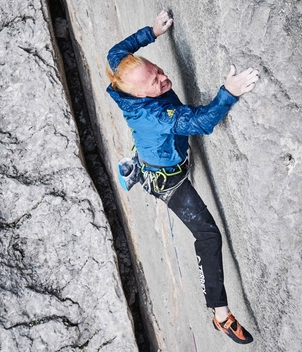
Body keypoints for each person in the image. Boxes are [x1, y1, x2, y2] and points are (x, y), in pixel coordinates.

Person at [106, 10, 259, 345]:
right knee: (208, 236)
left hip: (154, 155)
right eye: (155, 83)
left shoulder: (121, 71)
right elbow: (201, 122)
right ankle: (221, 316)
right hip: (169, 182)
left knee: (147, 152)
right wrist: (228, 92)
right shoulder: (157, 114)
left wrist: (152, 32)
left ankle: (134, 167)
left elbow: (118, 49)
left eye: (158, 71)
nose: (163, 79)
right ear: (142, 96)